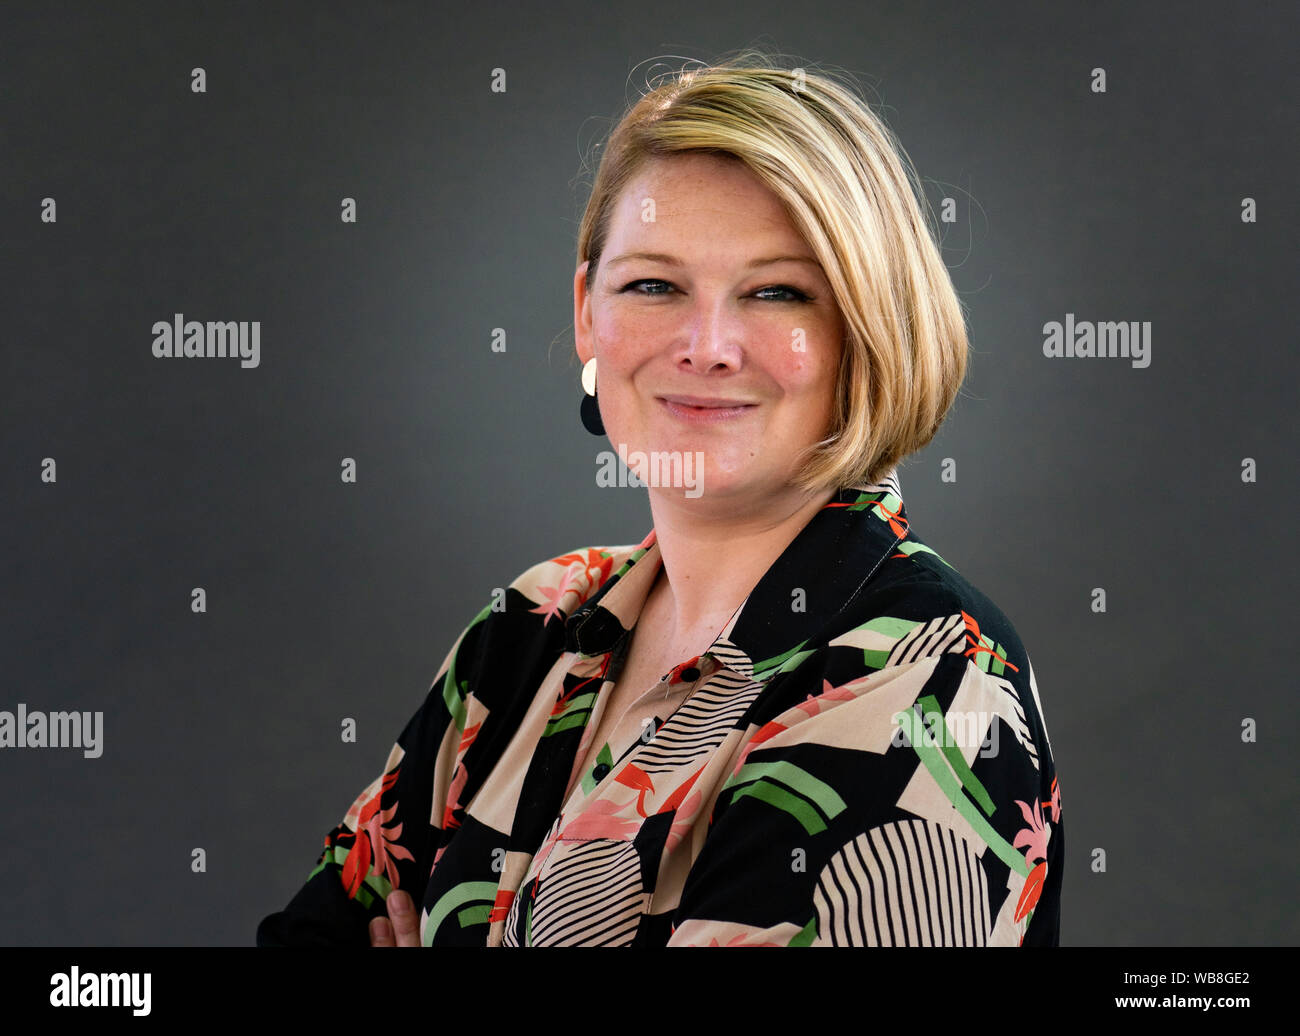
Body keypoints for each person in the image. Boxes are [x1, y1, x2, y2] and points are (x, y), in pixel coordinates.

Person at [257, 51, 1063, 948]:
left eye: (777, 291)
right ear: (586, 313)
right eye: (653, 284)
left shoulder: (929, 679)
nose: (706, 346)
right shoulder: (532, 627)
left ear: (871, 329)